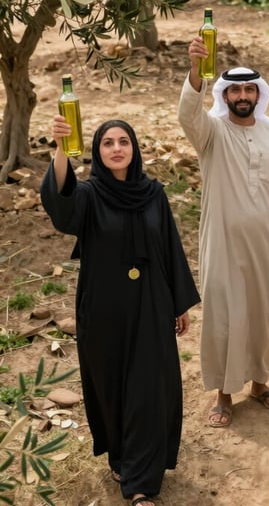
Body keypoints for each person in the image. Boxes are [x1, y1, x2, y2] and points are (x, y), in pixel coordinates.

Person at [41, 116, 200, 506]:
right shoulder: (90, 195)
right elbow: (61, 208)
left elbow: (169, 246)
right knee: (111, 387)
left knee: (147, 389)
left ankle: (140, 483)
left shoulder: (154, 194)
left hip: (150, 303)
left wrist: (179, 303)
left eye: (123, 141)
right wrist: (61, 149)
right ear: (97, 151)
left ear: (134, 148)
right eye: (107, 142)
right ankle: (122, 456)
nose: (116, 148)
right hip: (104, 308)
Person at [179, 39, 269, 428]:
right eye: (234, 89)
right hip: (223, 245)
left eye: (249, 89)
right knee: (224, 316)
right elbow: (188, 115)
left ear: (258, 94)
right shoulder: (212, 133)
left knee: (264, 314)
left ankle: (259, 383)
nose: (242, 95)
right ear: (225, 94)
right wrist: (195, 71)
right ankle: (223, 394)